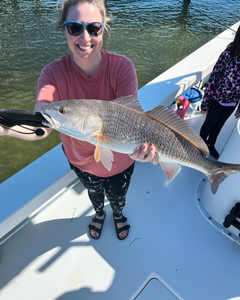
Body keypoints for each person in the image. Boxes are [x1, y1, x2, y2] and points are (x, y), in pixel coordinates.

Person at [0, 0, 158, 240]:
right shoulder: (52, 74)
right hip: (81, 162)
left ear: (102, 29)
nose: (85, 37)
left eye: (94, 28)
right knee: (94, 193)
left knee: (118, 196)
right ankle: (98, 213)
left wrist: (146, 152)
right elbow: (42, 126)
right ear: (64, 29)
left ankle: (117, 214)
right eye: (75, 28)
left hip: (122, 162)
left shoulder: (122, 67)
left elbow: (133, 119)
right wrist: (5, 129)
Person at [200, 25, 240, 159]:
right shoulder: (227, 55)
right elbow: (213, 79)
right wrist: (205, 103)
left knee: (218, 126)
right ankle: (199, 146)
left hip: (232, 102)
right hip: (216, 100)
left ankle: (210, 144)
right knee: (208, 124)